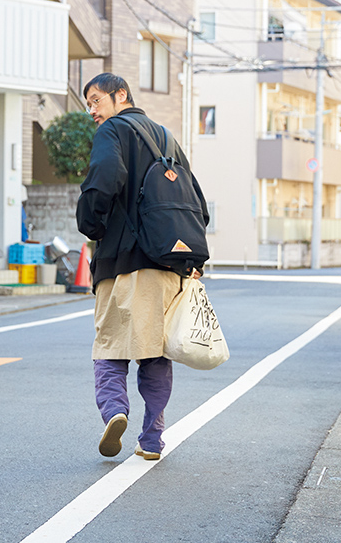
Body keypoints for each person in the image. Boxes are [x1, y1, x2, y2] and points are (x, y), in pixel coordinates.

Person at [76, 73, 209, 461]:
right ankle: (152, 438)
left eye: (96, 100)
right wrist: (193, 260)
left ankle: (115, 411)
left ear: (121, 96)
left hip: (122, 263)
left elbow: (105, 177)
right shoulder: (167, 138)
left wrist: (92, 224)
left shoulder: (113, 131)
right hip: (170, 264)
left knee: (110, 349)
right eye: (89, 105)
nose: (92, 111)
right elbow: (196, 200)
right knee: (155, 353)